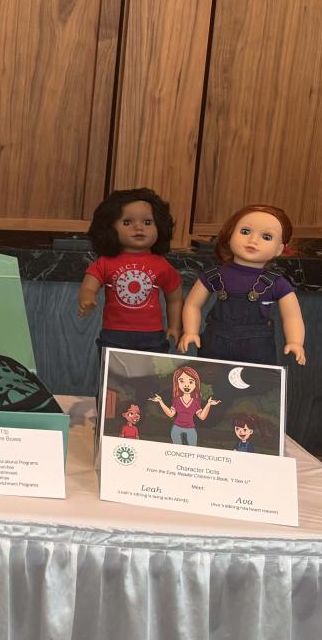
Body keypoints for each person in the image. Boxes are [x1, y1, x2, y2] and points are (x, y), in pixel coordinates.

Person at [179, 204, 306, 367]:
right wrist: (190, 331)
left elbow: (293, 317)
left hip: (256, 350)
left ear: (279, 249)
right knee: (210, 385)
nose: (253, 240)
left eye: (266, 237)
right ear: (230, 235)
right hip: (216, 345)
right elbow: (192, 304)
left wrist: (295, 342)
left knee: (255, 389)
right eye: (245, 232)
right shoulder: (216, 275)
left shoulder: (276, 283)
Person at [78, 188, 182, 354]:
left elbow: (174, 297)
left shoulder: (161, 264)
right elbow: (89, 286)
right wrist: (87, 297)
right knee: (112, 377)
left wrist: (175, 326)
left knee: (153, 377)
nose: (138, 228)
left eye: (148, 222)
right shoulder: (105, 262)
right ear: (110, 228)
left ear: (160, 227)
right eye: (127, 222)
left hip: (153, 335)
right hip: (115, 335)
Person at [148, 365, 218, 447]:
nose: (186, 385)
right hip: (177, 429)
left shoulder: (195, 402)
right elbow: (171, 414)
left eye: (190, 382)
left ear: (196, 384)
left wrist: (208, 404)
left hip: (190, 429)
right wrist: (161, 401)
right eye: (182, 381)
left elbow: (202, 417)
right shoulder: (177, 400)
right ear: (177, 383)